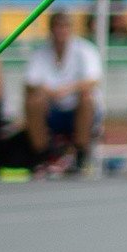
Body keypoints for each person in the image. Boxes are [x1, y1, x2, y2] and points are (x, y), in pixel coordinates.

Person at [24, 11, 103, 174]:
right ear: (51, 30)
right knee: (33, 101)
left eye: (65, 26)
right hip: (52, 109)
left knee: (87, 98)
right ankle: (41, 154)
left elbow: (93, 80)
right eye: (57, 27)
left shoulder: (85, 50)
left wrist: (67, 89)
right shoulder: (41, 53)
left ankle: (81, 153)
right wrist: (50, 92)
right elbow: (30, 82)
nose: (61, 31)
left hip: (77, 108)